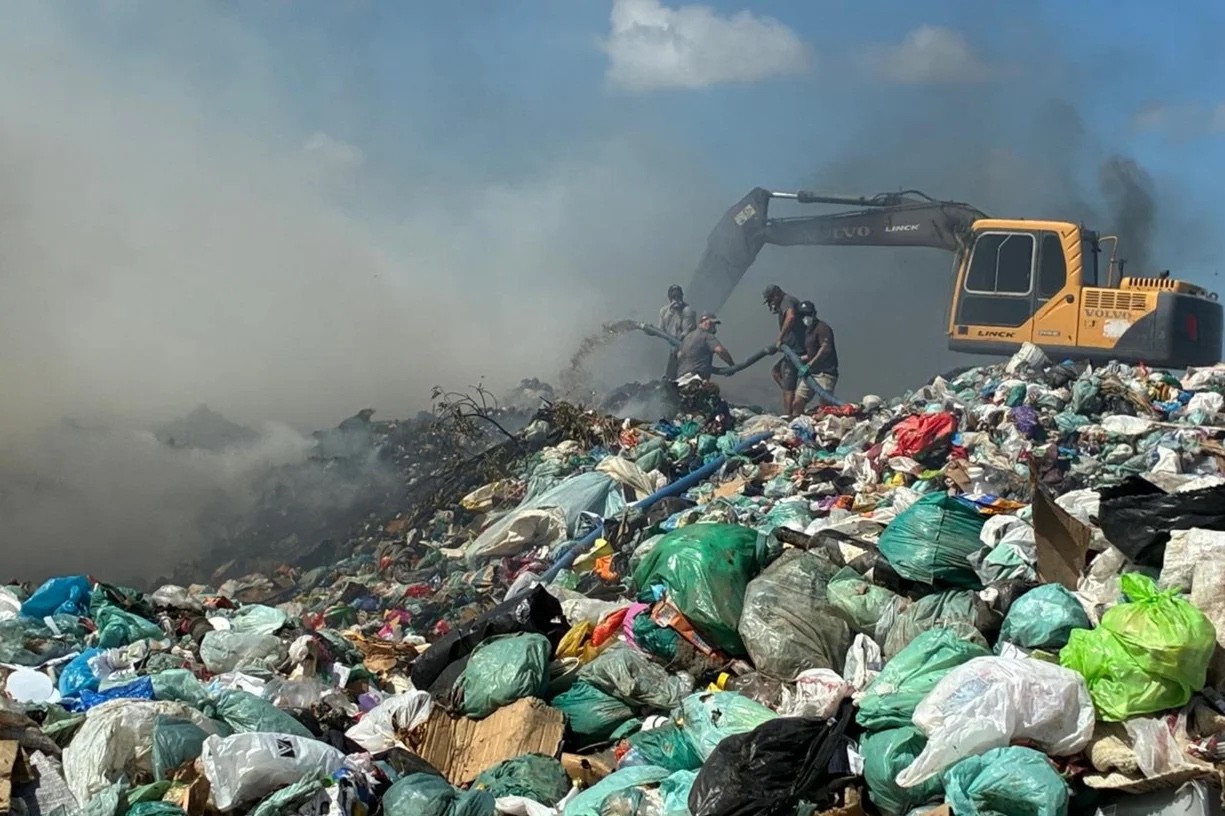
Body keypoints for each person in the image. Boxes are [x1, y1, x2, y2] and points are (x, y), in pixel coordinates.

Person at [762, 284, 806, 414]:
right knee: (776, 372)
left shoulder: (786, 301)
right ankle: (793, 403)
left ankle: (789, 415)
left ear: (776, 295)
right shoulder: (785, 302)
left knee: (788, 383)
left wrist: (780, 338)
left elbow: (791, 316)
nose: (771, 304)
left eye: (770, 300)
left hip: (796, 350)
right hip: (791, 349)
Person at [793, 300, 839, 412]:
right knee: (797, 402)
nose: (806, 317)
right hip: (811, 374)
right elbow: (812, 353)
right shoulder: (807, 331)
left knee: (824, 407)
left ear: (814, 314)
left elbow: (825, 349)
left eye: (808, 314)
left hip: (825, 373)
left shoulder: (823, 328)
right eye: (803, 315)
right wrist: (801, 359)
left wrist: (808, 365)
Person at [676, 313, 734, 381]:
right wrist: (732, 365)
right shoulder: (706, 335)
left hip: (680, 379)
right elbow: (720, 350)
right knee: (713, 390)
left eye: (714, 325)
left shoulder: (687, 338)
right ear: (702, 323)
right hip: (696, 378)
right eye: (712, 323)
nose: (713, 327)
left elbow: (679, 355)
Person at [659, 284, 697, 380]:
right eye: (673, 297)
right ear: (669, 298)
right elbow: (661, 329)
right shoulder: (664, 311)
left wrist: (680, 312)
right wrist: (671, 312)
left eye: (678, 296)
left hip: (683, 345)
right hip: (667, 345)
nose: (676, 299)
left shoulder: (688, 310)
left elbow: (687, 331)